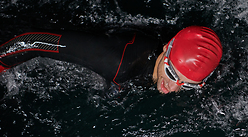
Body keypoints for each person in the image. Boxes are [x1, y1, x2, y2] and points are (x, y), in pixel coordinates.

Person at [0, 26, 223, 94]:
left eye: (188, 84)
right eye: (172, 74)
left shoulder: (190, 69)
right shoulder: (117, 63)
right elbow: (32, 41)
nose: (172, 88)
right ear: (166, 48)